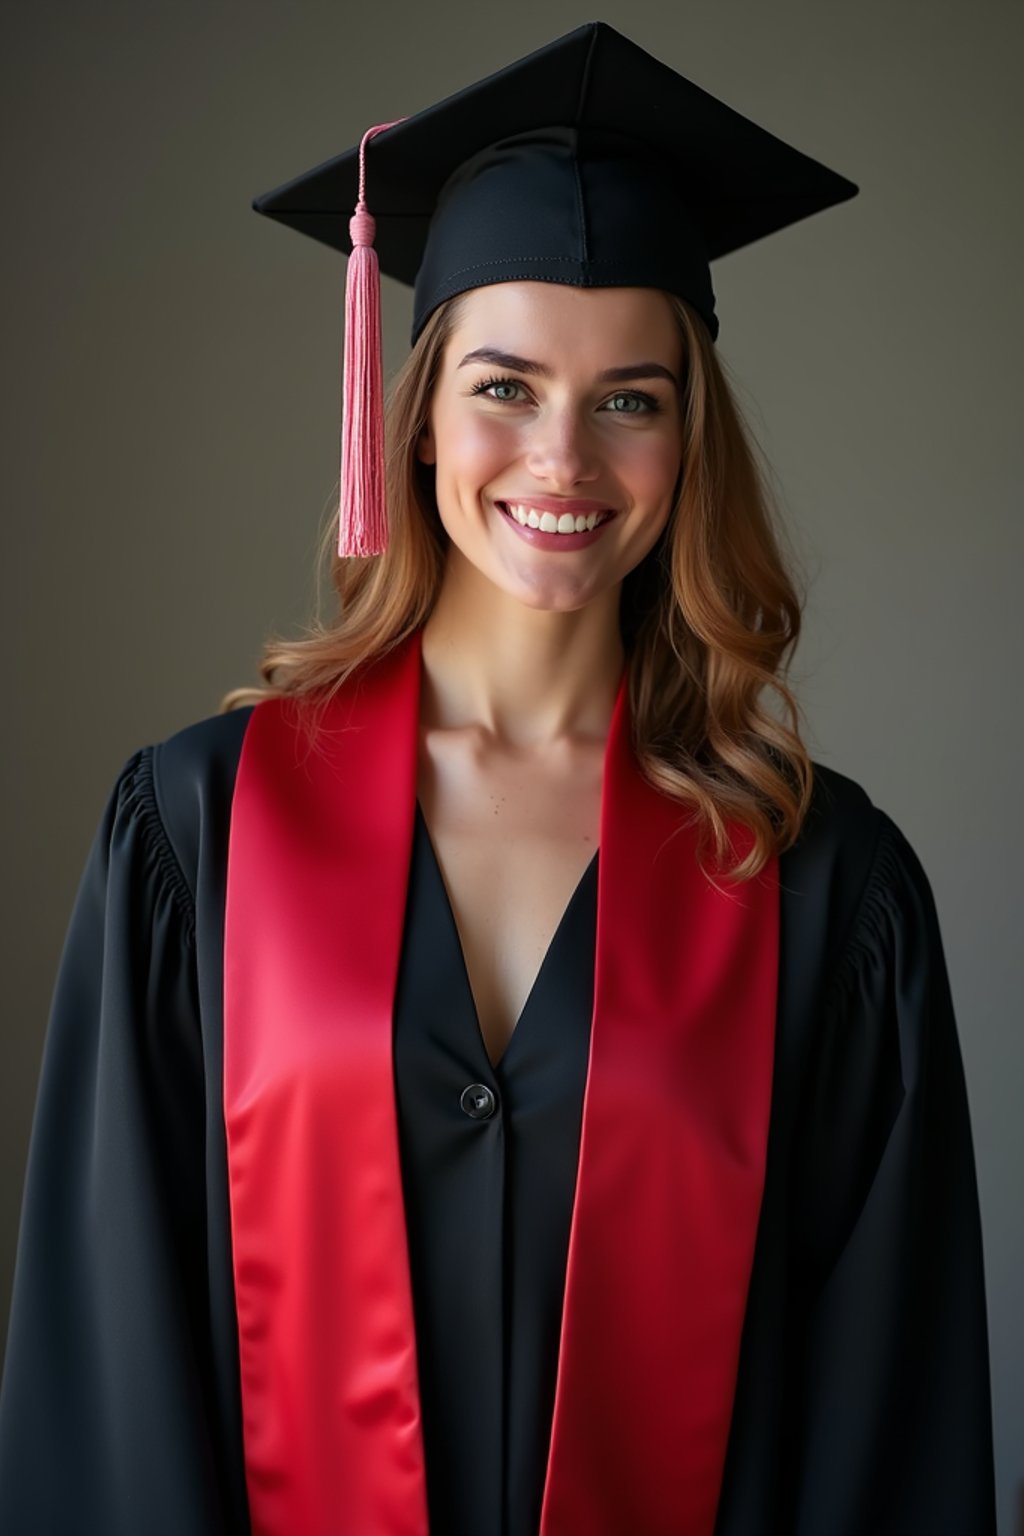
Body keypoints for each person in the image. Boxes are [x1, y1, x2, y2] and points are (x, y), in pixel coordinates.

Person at [0, 21, 997, 1536]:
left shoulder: (817, 884)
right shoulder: (198, 837)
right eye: (506, 386)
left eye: (631, 399)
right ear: (412, 414)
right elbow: (110, 1378)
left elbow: (888, 1426)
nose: (563, 461)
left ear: (689, 436)